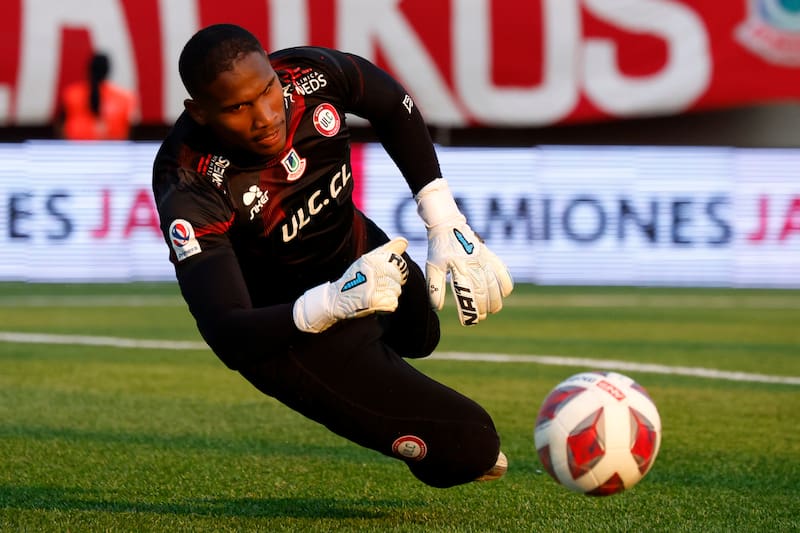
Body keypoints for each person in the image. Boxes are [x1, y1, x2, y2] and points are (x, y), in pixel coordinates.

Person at [152, 24, 514, 489]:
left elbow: (391, 104)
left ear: (273, 69)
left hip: (356, 253)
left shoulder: (310, 73)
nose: (265, 116)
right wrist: (330, 304)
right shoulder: (190, 182)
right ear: (198, 112)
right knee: (471, 446)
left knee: (422, 335)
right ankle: (357, 375)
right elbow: (227, 330)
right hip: (286, 327)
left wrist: (443, 218)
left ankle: (372, 358)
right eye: (238, 107)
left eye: (266, 90)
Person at [56, 52, 137, 140]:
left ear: (89, 69)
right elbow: (131, 127)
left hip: (77, 147)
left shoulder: (72, 94)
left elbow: (60, 124)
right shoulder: (125, 97)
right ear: (108, 71)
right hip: (114, 149)